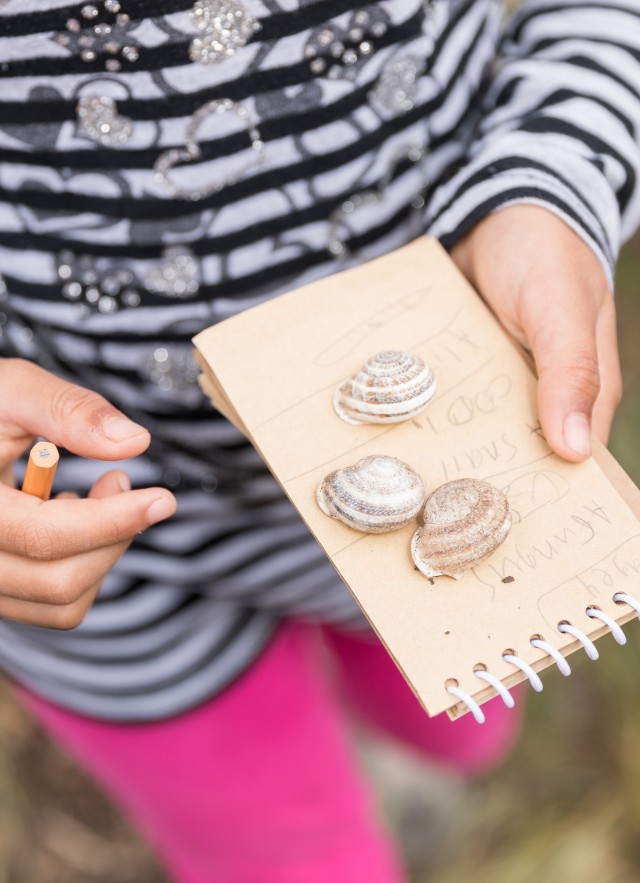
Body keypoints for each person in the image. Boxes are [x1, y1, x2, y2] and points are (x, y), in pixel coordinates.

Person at [0, 0, 637, 879]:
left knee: (460, 725)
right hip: (90, 523)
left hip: (442, 438)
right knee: (295, 856)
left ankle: (407, 759)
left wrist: (554, 182)